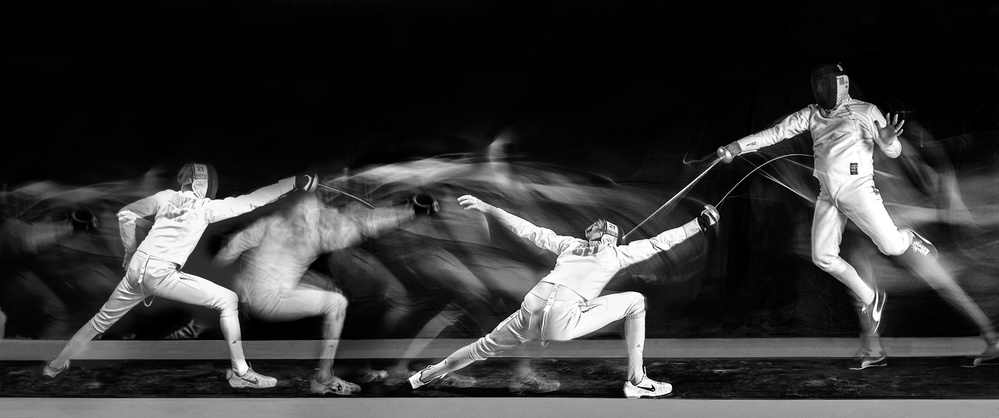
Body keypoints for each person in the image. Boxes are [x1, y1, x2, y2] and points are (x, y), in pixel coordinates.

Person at [716, 63, 999, 369]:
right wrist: (738, 146)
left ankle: (992, 338)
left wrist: (888, 140)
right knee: (845, 274)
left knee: (940, 281)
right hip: (853, 220)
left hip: (889, 218)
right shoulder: (814, 117)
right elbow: (778, 134)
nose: (823, 91)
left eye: (828, 85)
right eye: (819, 85)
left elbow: (909, 162)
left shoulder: (868, 118)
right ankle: (873, 347)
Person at [409, 194, 720, 399]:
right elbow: (661, 242)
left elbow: (527, 229)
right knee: (635, 301)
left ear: (600, 237)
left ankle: (424, 376)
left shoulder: (572, 246)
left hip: (530, 310)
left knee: (482, 347)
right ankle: (637, 381)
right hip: (562, 319)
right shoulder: (612, 253)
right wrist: (701, 223)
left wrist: (489, 208)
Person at [41, 162, 319, 389]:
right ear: (205, 183)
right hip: (161, 274)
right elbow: (252, 201)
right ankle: (241, 373)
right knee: (228, 300)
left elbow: (125, 214)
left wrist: (130, 252)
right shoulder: (205, 208)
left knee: (99, 321)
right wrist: (293, 182)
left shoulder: (164, 197)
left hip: (137, 270)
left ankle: (55, 365)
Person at [214, 191, 416, 395]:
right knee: (336, 303)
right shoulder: (311, 235)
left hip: (258, 296)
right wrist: (409, 212)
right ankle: (323, 378)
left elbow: (229, 250)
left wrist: (407, 211)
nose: (300, 222)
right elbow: (367, 224)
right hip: (270, 301)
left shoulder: (271, 224)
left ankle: (341, 366)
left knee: (329, 289)